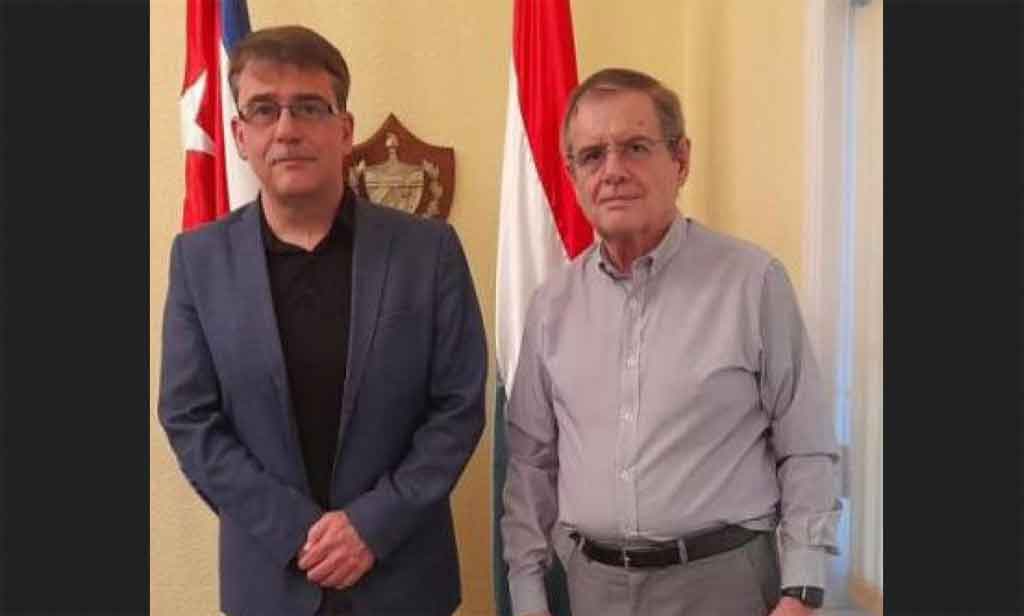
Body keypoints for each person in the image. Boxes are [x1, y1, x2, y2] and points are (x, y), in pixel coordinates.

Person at [159, 25, 486, 616]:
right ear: (239, 135)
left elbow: (457, 406)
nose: (287, 129)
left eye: (309, 107)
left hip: (403, 581)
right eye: (264, 109)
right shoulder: (199, 261)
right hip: (271, 583)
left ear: (345, 130)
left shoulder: (428, 251)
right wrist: (295, 533)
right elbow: (190, 417)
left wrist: (371, 526)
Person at [500, 68, 841, 616]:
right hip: (593, 589)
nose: (613, 171)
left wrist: (802, 588)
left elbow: (806, 444)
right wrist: (527, 594)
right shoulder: (551, 306)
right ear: (573, 175)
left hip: (725, 585)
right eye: (592, 156)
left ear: (680, 160)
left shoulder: (752, 283)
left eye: (635, 147)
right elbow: (530, 466)